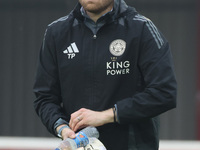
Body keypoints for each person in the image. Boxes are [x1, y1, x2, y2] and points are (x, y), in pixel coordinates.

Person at [33, 0, 177, 149]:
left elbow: (164, 93)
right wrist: (62, 128)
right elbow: (45, 98)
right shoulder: (56, 32)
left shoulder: (142, 29)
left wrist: (106, 116)